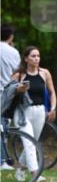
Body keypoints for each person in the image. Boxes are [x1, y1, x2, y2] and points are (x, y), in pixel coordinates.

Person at [10, 45, 57, 182]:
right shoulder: (19, 75)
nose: (36, 59)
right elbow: (8, 93)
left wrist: (53, 108)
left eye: (38, 56)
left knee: (32, 142)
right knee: (29, 141)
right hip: (22, 112)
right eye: (33, 56)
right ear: (26, 59)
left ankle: (20, 169)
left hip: (39, 111)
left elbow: (52, 92)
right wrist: (18, 89)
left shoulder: (44, 73)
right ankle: (35, 173)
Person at [1, 23, 21, 169]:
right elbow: (17, 72)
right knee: (3, 124)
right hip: (6, 91)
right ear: (11, 36)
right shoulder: (13, 52)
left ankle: (3, 159)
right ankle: (3, 160)